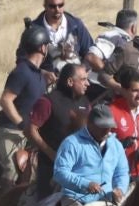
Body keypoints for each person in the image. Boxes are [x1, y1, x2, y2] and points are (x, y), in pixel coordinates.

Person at [27, 61, 99, 197]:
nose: (88, 84)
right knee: (44, 205)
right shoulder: (48, 101)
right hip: (50, 166)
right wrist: (51, 153)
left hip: (78, 169)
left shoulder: (85, 103)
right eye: (83, 79)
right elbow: (31, 129)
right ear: (70, 82)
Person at [0, 29, 49, 180]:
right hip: (9, 132)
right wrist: (21, 124)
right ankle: (2, 202)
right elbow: (5, 100)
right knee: (12, 170)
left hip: (29, 135)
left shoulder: (39, 75)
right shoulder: (21, 72)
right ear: (43, 48)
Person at [31, 0, 94, 74]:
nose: (57, 9)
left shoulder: (76, 25)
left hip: (76, 82)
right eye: (52, 6)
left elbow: (90, 53)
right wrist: (43, 73)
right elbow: (23, 61)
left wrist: (80, 72)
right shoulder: (34, 30)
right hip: (46, 83)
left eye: (60, 5)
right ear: (45, 6)